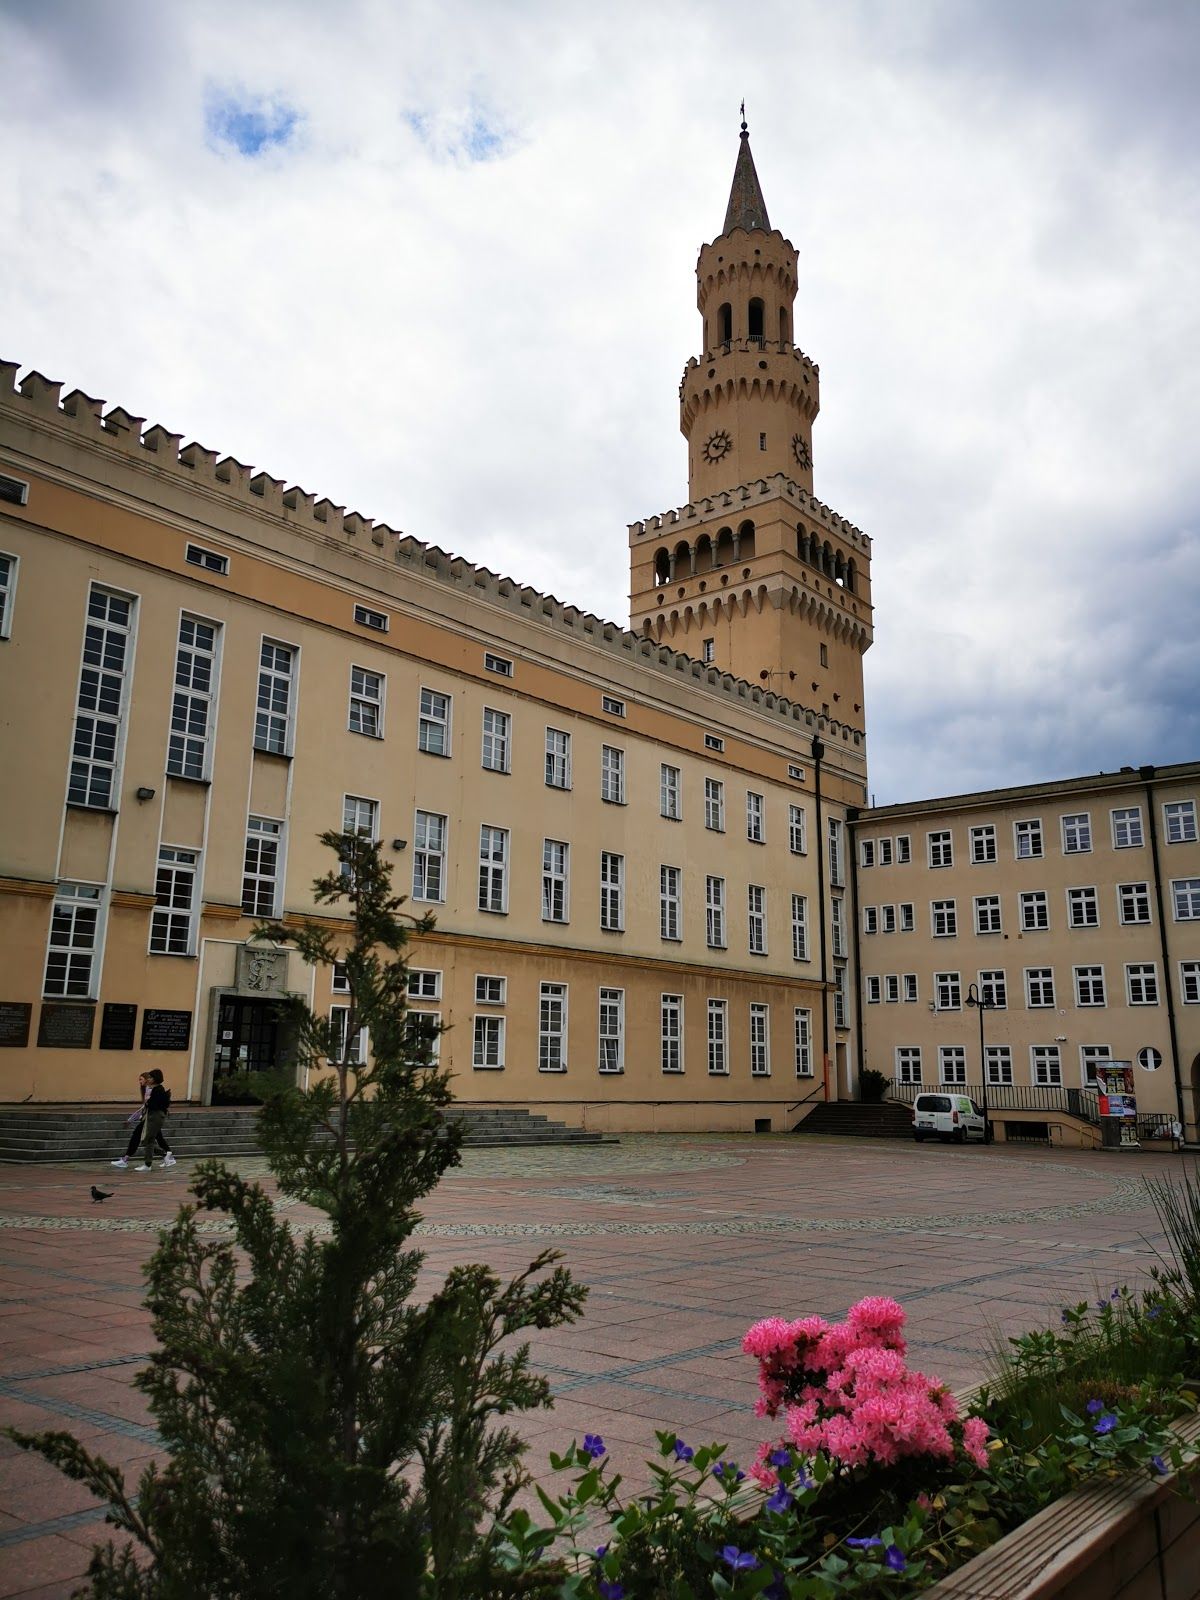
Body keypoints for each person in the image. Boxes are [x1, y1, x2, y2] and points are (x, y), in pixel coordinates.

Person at [112, 1072, 174, 1169]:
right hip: (149, 1117)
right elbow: (148, 1106)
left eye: (142, 1079)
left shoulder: (154, 1089)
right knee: (150, 1139)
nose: (140, 1081)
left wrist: (131, 1119)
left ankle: (156, 1159)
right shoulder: (152, 1089)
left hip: (151, 1118)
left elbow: (150, 1105)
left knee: (145, 1139)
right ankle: (166, 1155)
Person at [134, 1070, 175, 1172]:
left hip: (155, 1116)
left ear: (155, 1078)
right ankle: (163, 1156)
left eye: (151, 1077)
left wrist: (148, 1103)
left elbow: (154, 1105)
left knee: (147, 1140)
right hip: (154, 1116)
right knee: (149, 1140)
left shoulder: (157, 1090)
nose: (149, 1079)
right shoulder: (156, 1089)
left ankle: (152, 1162)